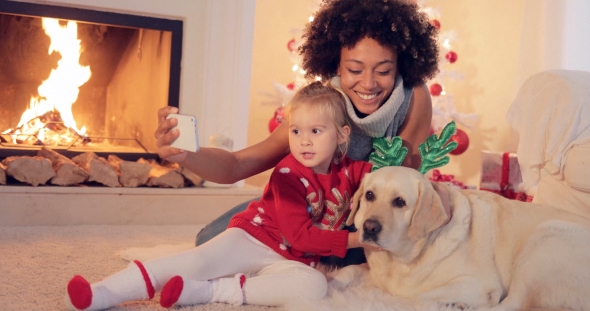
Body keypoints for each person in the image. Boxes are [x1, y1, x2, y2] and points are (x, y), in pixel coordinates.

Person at [155, 0, 438, 261]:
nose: (368, 84)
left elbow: (404, 181)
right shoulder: (320, 105)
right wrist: (187, 155)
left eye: (383, 71)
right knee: (208, 240)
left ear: (400, 67)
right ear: (336, 66)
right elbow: (237, 165)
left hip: (361, 215)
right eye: (354, 69)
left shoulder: (414, 98)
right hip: (306, 205)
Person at [65, 82, 376, 310]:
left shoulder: (350, 171)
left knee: (314, 286)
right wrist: (354, 240)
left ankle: (211, 292)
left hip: (294, 261)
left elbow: (383, 181)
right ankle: (102, 293)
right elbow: (299, 237)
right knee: (196, 260)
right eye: (296, 132)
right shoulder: (287, 175)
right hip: (254, 239)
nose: (304, 142)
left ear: (342, 135)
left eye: (316, 132)